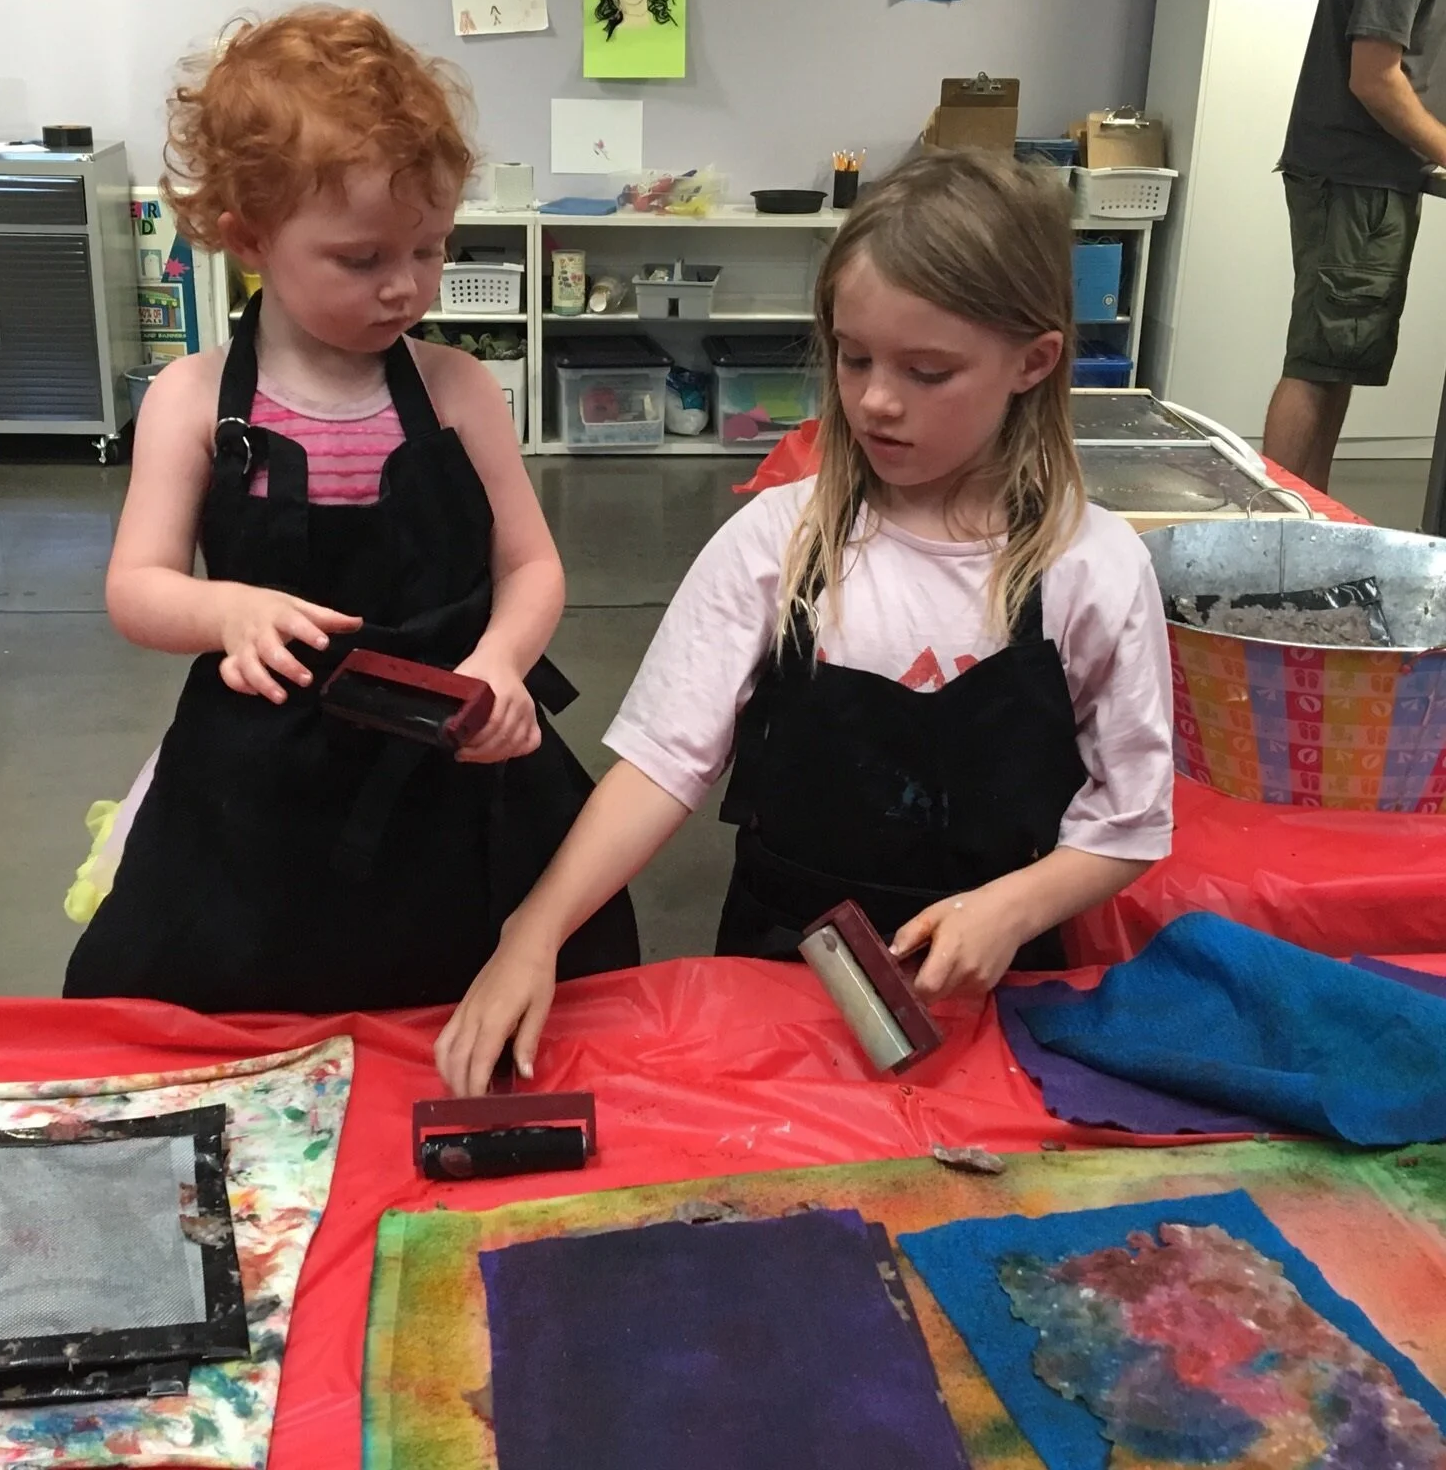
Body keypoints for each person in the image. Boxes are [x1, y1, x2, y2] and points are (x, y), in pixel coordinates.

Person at [435, 150, 1176, 1096]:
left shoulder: (1093, 568)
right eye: (853, 355)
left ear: (1033, 361)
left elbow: (1129, 822)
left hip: (1005, 990)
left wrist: (1011, 908)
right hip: (783, 978)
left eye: (927, 370)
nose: (872, 398)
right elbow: (664, 762)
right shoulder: (774, 543)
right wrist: (533, 931)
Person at [65, 7, 637, 1014]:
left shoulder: (458, 388)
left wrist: (500, 666)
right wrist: (226, 611)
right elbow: (138, 589)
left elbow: (531, 567)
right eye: (362, 259)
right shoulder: (194, 401)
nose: (406, 286)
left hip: (457, 758)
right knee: (222, 999)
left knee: (484, 997)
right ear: (250, 238)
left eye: (429, 248)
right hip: (265, 778)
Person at [1264, 0, 1446, 492]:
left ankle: (1310, 524)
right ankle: (1279, 539)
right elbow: (1374, 77)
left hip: (1369, 173)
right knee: (1318, 366)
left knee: (1334, 362)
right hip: (1356, 173)